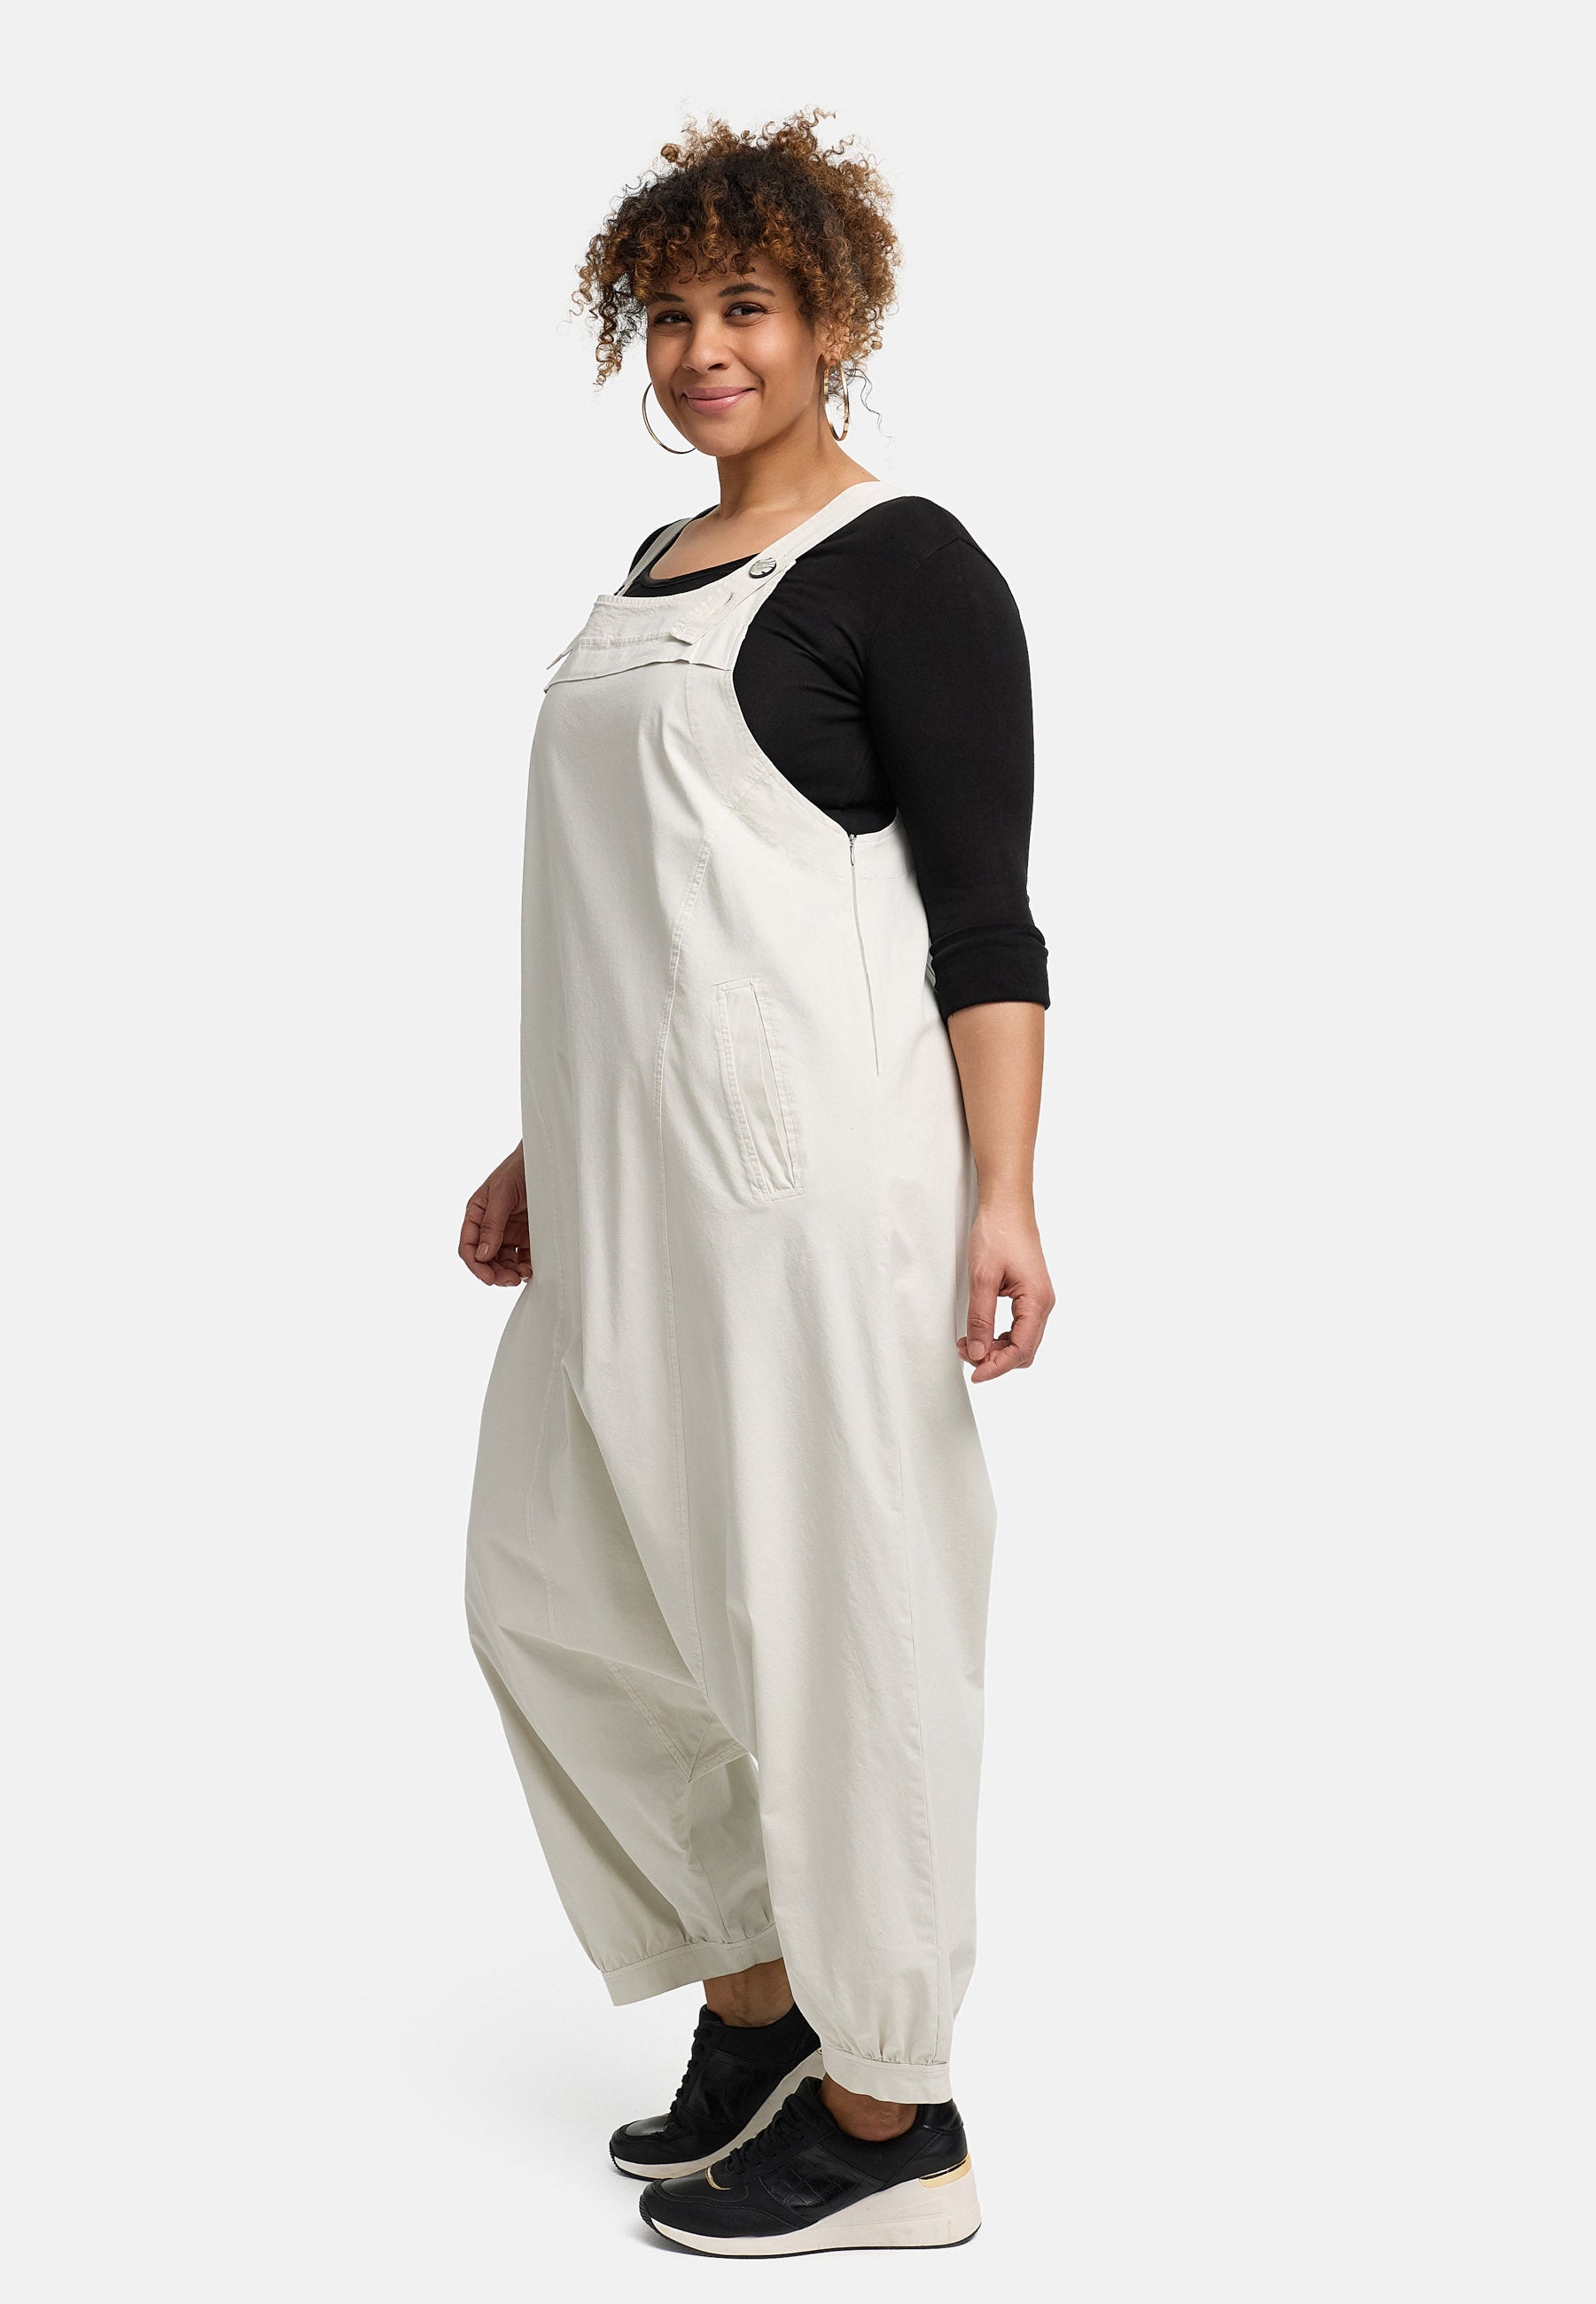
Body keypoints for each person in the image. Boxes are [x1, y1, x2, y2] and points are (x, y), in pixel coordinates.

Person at [457, 111, 1054, 2258]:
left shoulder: (907, 569)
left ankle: (896, 2116)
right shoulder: (647, 573)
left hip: (814, 1196)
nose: (705, 348)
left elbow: (983, 921)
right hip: (627, 1185)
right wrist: (554, 1129)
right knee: (555, 1590)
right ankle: (762, 2008)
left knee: (841, 1619)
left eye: (749, 307)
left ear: (832, 320)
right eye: (672, 314)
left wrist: (1005, 1192)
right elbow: (649, 912)